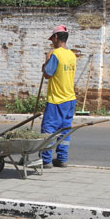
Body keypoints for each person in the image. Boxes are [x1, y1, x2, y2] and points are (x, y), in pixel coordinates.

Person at [41, 25, 77, 168]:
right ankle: (62, 158)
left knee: (48, 130)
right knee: (64, 130)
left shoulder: (56, 54)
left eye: (52, 40)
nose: (52, 43)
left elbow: (47, 74)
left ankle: (46, 160)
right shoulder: (72, 55)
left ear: (56, 37)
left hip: (56, 99)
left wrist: (46, 60)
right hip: (70, 99)